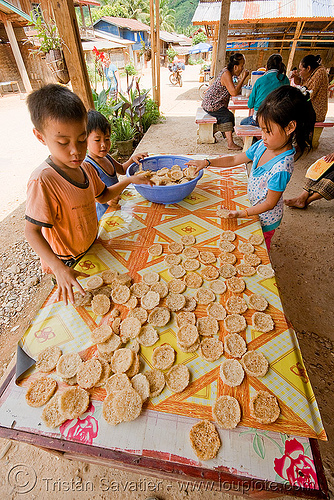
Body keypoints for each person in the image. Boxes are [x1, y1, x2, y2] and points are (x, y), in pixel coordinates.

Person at [24, 84, 151, 305]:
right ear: (40, 136)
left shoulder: (85, 168)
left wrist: (129, 180)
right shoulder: (43, 180)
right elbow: (31, 232)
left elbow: (102, 196)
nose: (76, 150)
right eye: (63, 142)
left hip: (93, 245)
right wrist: (59, 269)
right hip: (68, 262)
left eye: (82, 139)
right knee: (79, 309)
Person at [186, 86, 315, 251]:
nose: (263, 136)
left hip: (266, 218)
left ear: (290, 128)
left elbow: (269, 203)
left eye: (268, 131)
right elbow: (234, 158)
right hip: (253, 207)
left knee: (260, 247)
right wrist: (207, 162)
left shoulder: (282, 167)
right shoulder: (262, 145)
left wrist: (241, 213)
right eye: (262, 129)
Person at [83, 110, 148, 220]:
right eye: (97, 140)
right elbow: (88, 195)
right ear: (84, 141)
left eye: (107, 139)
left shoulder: (106, 157)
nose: (104, 144)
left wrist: (132, 159)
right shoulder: (89, 166)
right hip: (104, 215)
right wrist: (106, 199)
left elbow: (122, 169)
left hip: (117, 207)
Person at [201, 52, 249, 150]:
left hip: (214, 103)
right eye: (242, 66)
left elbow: (233, 90)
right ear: (235, 67)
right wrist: (243, 77)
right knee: (228, 116)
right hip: (212, 104)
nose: (242, 68)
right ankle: (230, 143)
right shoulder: (226, 74)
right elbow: (234, 92)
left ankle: (223, 131)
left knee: (227, 115)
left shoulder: (227, 72)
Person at [241, 54, 289, 126]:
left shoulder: (260, 80)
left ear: (266, 68)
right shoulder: (285, 79)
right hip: (278, 119)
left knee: (243, 122)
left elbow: (250, 105)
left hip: (260, 119)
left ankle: (255, 137)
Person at [290, 54, 328, 121]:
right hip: (311, 110)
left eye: (301, 70)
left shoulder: (320, 73)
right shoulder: (314, 73)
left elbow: (309, 93)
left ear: (308, 68)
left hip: (315, 113)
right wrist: (296, 77)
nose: (300, 73)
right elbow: (303, 83)